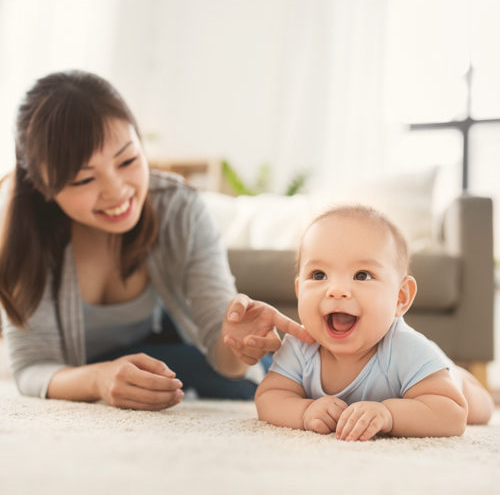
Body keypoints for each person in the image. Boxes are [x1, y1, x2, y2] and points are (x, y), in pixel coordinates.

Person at [0, 70, 313, 410]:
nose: (117, 190)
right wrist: (99, 378)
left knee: (277, 379)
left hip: (165, 339)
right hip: (86, 364)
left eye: (128, 160)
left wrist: (239, 345)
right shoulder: (22, 235)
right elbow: (32, 368)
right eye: (84, 179)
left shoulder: (180, 208)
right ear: (42, 185)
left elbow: (222, 347)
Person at [255, 205, 494, 440]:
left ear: (401, 297)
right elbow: (270, 396)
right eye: (318, 275)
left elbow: (452, 414)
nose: (336, 290)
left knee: (480, 409)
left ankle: (461, 375)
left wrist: (389, 414)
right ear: (299, 290)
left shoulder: (405, 349)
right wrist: (304, 411)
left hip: (442, 376)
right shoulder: (300, 345)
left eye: (362, 275)